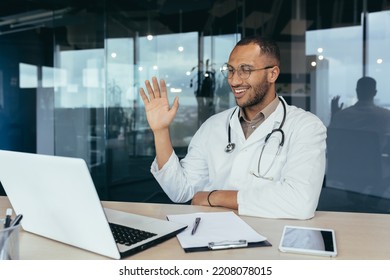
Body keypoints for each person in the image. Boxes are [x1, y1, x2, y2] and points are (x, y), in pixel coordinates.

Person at [139, 36, 327, 219]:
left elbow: (300, 202)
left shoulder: (305, 127)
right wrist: (161, 131)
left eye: (245, 70)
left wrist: (215, 197)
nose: (234, 81)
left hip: (272, 241)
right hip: (213, 237)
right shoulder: (213, 126)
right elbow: (180, 190)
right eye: (230, 70)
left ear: (272, 74)